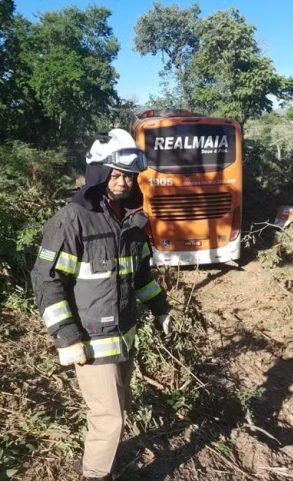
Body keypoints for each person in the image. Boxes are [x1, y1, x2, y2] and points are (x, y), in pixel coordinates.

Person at [31, 128, 172, 481]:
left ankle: (94, 461)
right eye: (117, 173)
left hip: (123, 336)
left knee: (117, 409)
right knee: (110, 416)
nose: (124, 182)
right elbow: (46, 280)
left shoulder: (132, 221)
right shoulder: (72, 220)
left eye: (129, 175)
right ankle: (95, 474)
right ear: (98, 171)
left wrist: (160, 308)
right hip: (90, 341)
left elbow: (140, 276)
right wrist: (66, 336)